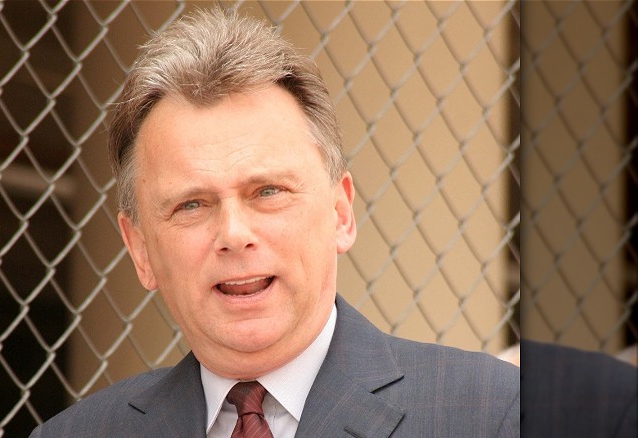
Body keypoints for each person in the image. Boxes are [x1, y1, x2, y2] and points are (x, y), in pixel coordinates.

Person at [30, 8, 518, 437]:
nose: (234, 235)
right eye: (192, 205)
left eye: (267, 192)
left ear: (340, 212)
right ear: (140, 250)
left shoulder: (496, 413)